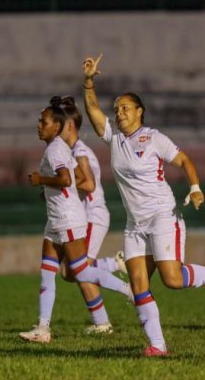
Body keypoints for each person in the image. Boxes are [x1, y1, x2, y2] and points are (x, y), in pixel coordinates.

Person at [81, 54, 205, 357]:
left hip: (162, 217)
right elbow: (91, 109)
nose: (119, 113)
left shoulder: (154, 139)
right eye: (116, 109)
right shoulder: (114, 138)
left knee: (172, 279)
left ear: (140, 112)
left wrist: (195, 188)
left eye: (125, 108)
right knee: (138, 285)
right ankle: (157, 345)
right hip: (134, 225)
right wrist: (89, 81)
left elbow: (184, 160)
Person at [19, 97, 133, 343]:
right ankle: (43, 328)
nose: (39, 125)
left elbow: (67, 180)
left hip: (71, 219)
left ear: (58, 126)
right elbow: (68, 179)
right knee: (49, 272)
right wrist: (47, 190)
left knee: (80, 271)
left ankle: (129, 291)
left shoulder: (58, 149)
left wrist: (42, 180)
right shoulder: (60, 148)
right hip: (56, 220)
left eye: (44, 121)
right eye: (39, 120)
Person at [58, 96, 128, 334]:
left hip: (91, 217)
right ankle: (114, 264)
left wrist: (60, 184)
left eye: (58, 124)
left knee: (79, 270)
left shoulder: (79, 152)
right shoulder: (71, 151)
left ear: (68, 126)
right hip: (86, 217)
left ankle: (102, 323)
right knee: (68, 272)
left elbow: (87, 185)